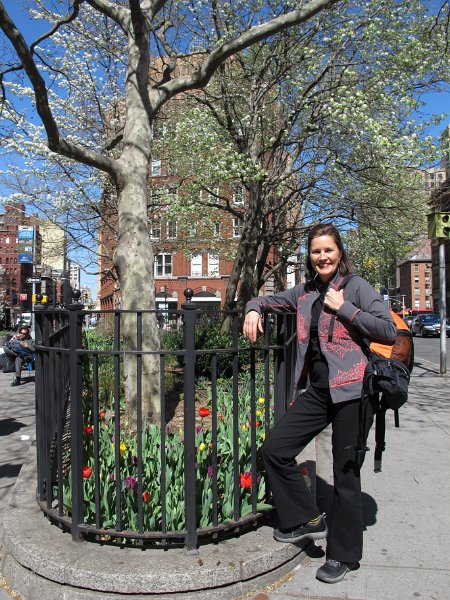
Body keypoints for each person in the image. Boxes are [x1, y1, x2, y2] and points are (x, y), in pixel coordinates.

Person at [243, 223, 396, 584]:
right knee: (275, 449)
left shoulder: (356, 287)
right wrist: (253, 309)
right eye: (316, 251)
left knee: (345, 474)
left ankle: (343, 555)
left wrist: (346, 309)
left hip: (355, 393)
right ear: (309, 256)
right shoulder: (305, 292)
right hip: (319, 392)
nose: (323, 257)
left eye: (328, 250)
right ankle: (308, 518)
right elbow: (266, 300)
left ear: (339, 252)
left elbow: (388, 330)